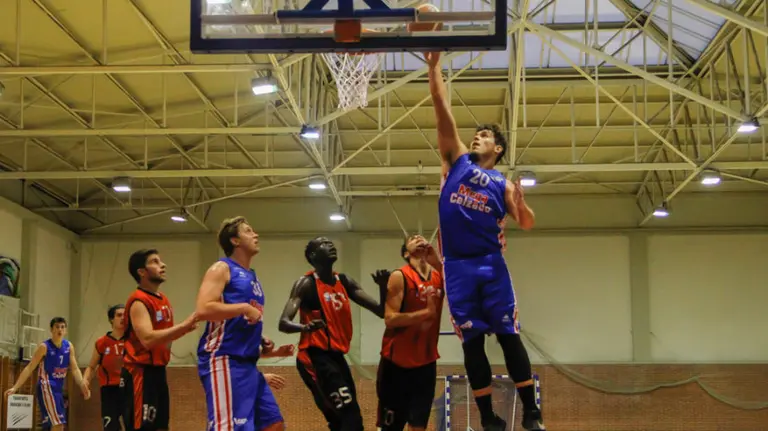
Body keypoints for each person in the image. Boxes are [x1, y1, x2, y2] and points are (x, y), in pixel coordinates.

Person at [425, 51, 544, 431]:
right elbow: (442, 109)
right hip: (457, 267)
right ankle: (489, 417)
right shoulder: (455, 161)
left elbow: (527, 224)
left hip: (491, 265)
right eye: (476, 134)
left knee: (509, 336)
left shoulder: (504, 184)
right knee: (472, 343)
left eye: (486, 135)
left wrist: (522, 206)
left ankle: (531, 411)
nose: (478, 137)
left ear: (499, 149)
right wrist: (433, 68)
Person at [278, 236, 389, 431]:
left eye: (331, 243)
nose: (330, 246)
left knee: (344, 419)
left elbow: (381, 311)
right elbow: (283, 323)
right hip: (314, 357)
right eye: (323, 244)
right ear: (313, 256)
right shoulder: (306, 283)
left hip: (337, 358)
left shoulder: (344, 281)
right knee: (349, 415)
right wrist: (305, 327)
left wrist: (382, 286)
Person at [196, 216, 295, 431]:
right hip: (224, 359)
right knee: (230, 427)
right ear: (235, 241)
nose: (256, 235)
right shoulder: (221, 268)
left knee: (274, 424)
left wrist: (262, 342)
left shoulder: (251, 277)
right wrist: (244, 308)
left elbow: (234, 323)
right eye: (249, 231)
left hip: (247, 365)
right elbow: (204, 309)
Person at [122, 249, 198, 431]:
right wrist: (183, 326)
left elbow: (163, 337)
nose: (162, 265)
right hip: (140, 372)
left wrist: (186, 328)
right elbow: (148, 339)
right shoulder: (138, 301)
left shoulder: (163, 299)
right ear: (142, 271)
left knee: (161, 426)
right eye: (155, 262)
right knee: (142, 426)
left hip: (158, 371)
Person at [377, 234, 444, 431]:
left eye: (421, 237)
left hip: (425, 362)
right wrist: (425, 314)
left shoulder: (439, 276)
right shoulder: (400, 276)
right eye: (413, 238)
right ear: (406, 252)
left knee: (419, 425)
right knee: (391, 426)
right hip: (397, 363)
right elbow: (390, 318)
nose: (419, 239)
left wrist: (434, 258)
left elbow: (455, 282)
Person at [5, 317, 90, 430]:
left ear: (66, 330)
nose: (60, 329)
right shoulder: (44, 347)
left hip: (57, 390)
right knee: (58, 424)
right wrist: (15, 387)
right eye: (57, 327)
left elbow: (74, 369)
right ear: (51, 329)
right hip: (46, 387)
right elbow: (29, 368)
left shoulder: (69, 346)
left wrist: (81, 383)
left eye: (62, 327)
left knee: (49, 425)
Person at [83, 304, 127, 431]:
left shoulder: (133, 341)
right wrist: (85, 380)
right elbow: (91, 366)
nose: (123, 318)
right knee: (110, 426)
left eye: (125, 315)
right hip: (109, 390)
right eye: (119, 315)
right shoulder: (101, 342)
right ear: (111, 319)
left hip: (130, 388)